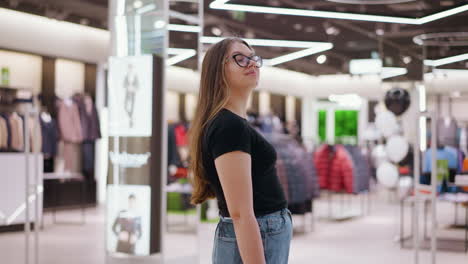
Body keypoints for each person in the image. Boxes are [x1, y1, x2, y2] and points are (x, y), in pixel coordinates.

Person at [189, 37, 292, 264]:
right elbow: (241, 213)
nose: (252, 64)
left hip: (260, 230)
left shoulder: (232, 122)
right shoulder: (229, 126)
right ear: (218, 70)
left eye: (253, 58)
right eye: (241, 59)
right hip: (258, 230)